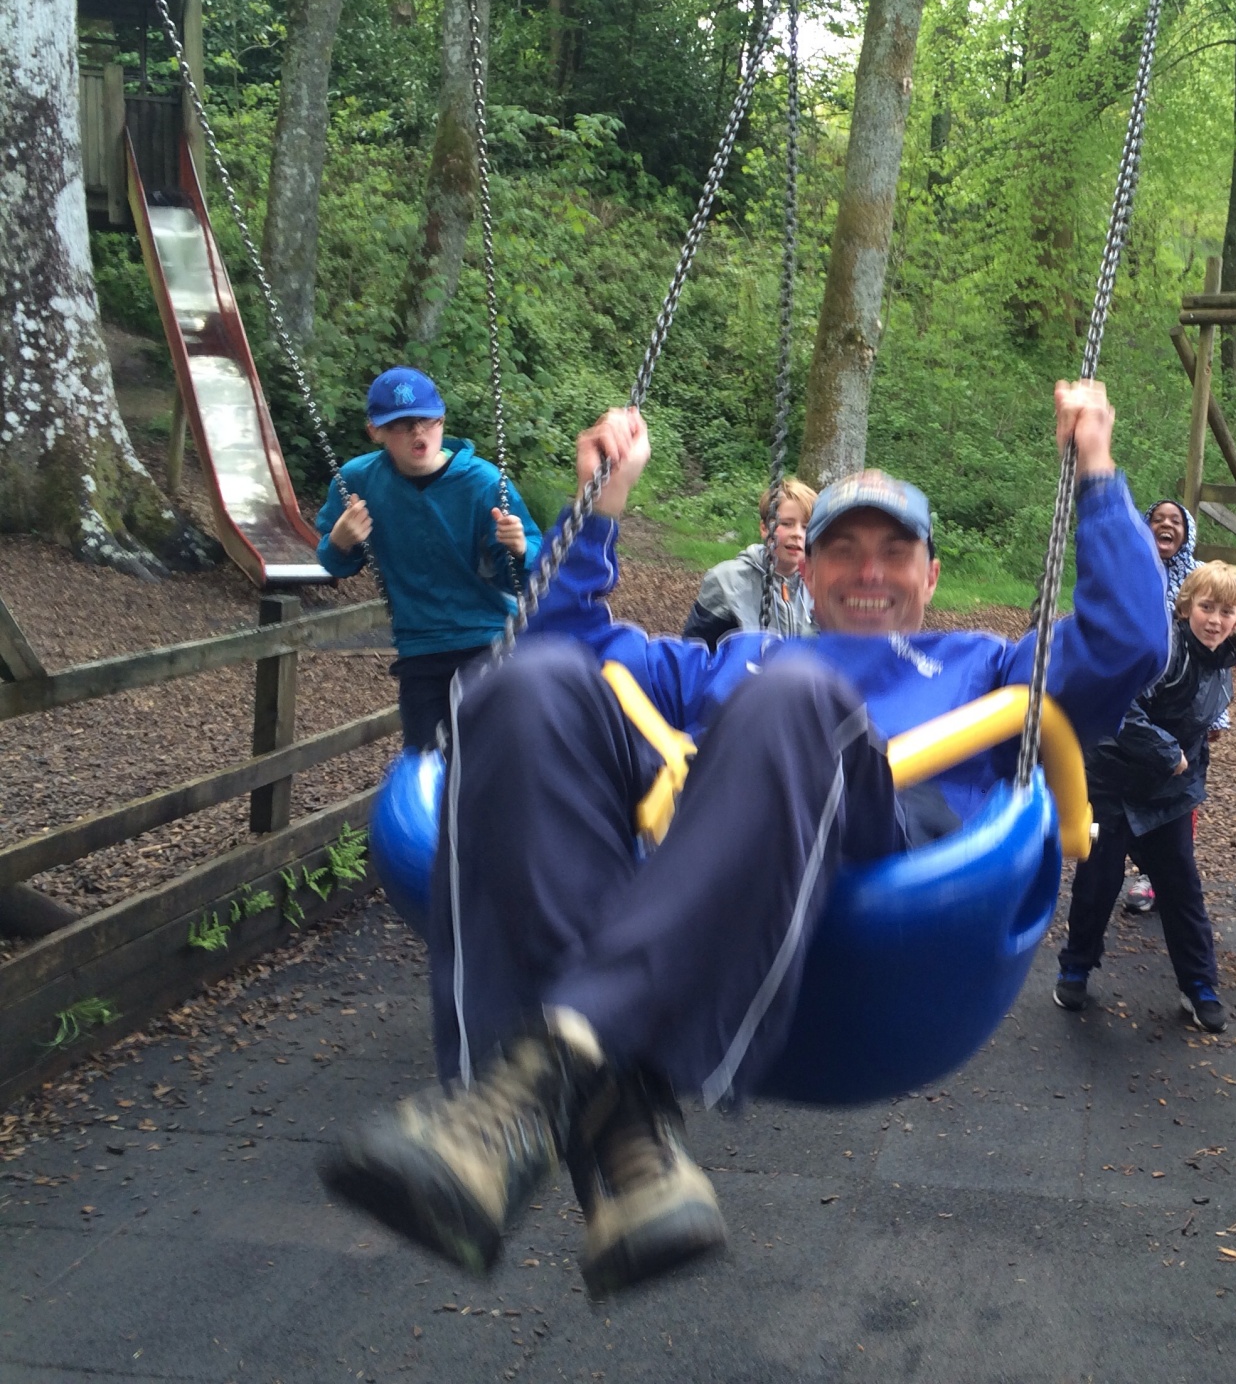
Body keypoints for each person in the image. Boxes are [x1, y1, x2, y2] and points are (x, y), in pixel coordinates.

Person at [320, 380, 1169, 1297]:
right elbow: (547, 649)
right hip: (712, 861)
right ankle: (614, 1128)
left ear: (931, 575)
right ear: (805, 572)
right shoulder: (738, 654)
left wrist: (1095, 467)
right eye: (844, 550)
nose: (870, 571)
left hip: (893, 868)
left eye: (896, 551)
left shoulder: (988, 665)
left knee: (795, 700)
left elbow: (1129, 641)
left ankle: (536, 1084)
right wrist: (600, 507)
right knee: (518, 693)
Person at [1053, 560, 1236, 1033]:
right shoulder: (1162, 653)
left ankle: (1199, 984)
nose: (1215, 619)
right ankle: (1075, 967)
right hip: (1115, 780)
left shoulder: (1222, 665)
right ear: (1186, 608)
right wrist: (1168, 753)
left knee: (1181, 886)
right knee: (1098, 880)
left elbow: (1199, 734)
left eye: (1227, 612)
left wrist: (1188, 776)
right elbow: (1122, 708)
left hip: (1168, 794)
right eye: (1206, 607)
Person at [314, 366, 541, 752]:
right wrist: (339, 542)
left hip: (485, 639)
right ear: (376, 432)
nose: (418, 433)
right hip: (420, 649)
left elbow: (525, 576)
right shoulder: (359, 480)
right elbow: (337, 565)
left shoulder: (484, 483)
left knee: (489, 760)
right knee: (425, 764)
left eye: (426, 421)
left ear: (442, 419)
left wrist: (520, 549)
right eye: (402, 425)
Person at [1124, 498, 1200, 915]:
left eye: (1176, 521)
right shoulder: (1133, 567)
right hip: (1138, 688)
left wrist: (1218, 712)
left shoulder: (1198, 575)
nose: (1166, 525)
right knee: (1130, 779)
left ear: (1186, 532)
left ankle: (1162, 873)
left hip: (1184, 697)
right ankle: (1136, 864)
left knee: (1180, 785)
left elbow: (1217, 643)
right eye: (1158, 519)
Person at [681, 477, 818, 643]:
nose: (797, 534)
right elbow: (696, 652)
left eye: (805, 527)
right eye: (787, 524)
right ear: (764, 528)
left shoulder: (819, 586)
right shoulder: (727, 581)